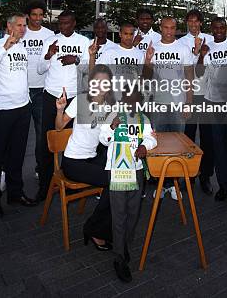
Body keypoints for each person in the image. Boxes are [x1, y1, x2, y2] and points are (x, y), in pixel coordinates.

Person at [0, 14, 37, 217]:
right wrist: (5, 47)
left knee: (17, 153)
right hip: (2, 109)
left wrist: (27, 100)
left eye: (24, 26)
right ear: (8, 26)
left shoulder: (22, 48)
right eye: (19, 25)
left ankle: (15, 192)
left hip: (22, 108)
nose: (23, 29)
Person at [55, 65, 115, 250]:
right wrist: (60, 109)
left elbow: (105, 141)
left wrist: (112, 128)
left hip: (92, 157)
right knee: (115, 181)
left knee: (121, 176)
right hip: (73, 161)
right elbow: (58, 128)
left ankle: (97, 226)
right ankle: (96, 229)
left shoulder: (109, 108)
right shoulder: (81, 100)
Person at [100, 86, 157, 283]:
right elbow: (103, 139)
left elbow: (152, 138)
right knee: (119, 213)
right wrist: (112, 127)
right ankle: (119, 257)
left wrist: (144, 146)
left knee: (133, 212)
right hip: (117, 171)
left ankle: (124, 244)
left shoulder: (143, 119)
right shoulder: (113, 115)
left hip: (136, 171)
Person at [35, 10, 89, 201]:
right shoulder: (50, 40)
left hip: (75, 98)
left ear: (74, 23)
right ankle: (45, 184)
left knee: (73, 141)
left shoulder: (83, 42)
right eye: (60, 23)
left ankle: (72, 178)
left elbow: (92, 66)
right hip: (51, 96)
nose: (63, 26)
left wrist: (76, 60)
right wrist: (49, 54)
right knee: (46, 141)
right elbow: (40, 69)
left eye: (67, 23)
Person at [196, 17, 227, 210]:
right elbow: (199, 74)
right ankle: (224, 186)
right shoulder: (207, 49)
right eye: (215, 27)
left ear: (226, 29)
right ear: (211, 29)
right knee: (219, 148)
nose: (219, 30)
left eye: (222, 27)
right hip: (213, 102)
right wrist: (201, 55)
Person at [143, 16, 194, 200]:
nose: (169, 31)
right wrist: (148, 60)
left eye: (173, 27)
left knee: (178, 146)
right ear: (161, 27)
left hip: (178, 104)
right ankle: (162, 184)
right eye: (166, 27)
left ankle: (176, 185)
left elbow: (189, 77)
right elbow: (146, 78)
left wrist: (189, 103)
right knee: (158, 145)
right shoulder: (153, 47)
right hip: (157, 105)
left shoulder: (183, 48)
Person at [181, 9, 215, 195]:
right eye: (190, 21)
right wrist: (195, 52)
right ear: (187, 22)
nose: (193, 24)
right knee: (188, 137)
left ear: (201, 23)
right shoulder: (180, 42)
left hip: (208, 95)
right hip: (190, 95)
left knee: (208, 138)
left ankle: (205, 175)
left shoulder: (210, 39)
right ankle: (188, 174)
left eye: (196, 21)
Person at [22, 0, 53, 180]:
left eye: (41, 15)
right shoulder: (20, 32)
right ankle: (10, 171)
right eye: (34, 15)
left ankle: (41, 169)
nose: (38, 18)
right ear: (28, 16)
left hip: (42, 90)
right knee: (20, 134)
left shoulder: (49, 35)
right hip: (22, 91)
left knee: (42, 134)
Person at [93, 22, 145, 100]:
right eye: (125, 34)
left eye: (131, 34)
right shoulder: (110, 52)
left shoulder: (139, 54)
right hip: (113, 97)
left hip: (132, 98)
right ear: (120, 34)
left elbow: (140, 77)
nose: (128, 37)